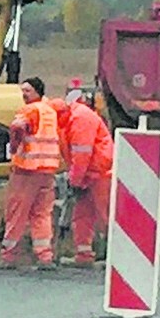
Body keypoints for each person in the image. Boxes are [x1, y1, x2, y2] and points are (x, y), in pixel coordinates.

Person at [0, 77, 60, 270]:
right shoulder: (50, 111)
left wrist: (14, 146)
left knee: (17, 212)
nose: (24, 95)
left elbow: (17, 127)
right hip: (47, 170)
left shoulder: (30, 110)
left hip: (27, 169)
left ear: (37, 92)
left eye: (27, 91)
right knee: (41, 213)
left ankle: (8, 255)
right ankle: (45, 256)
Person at [50, 91, 113, 266]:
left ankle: (114, 255)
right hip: (85, 174)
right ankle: (83, 254)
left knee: (104, 213)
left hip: (99, 172)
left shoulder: (80, 119)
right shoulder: (65, 122)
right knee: (81, 214)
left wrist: (74, 180)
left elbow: (82, 153)